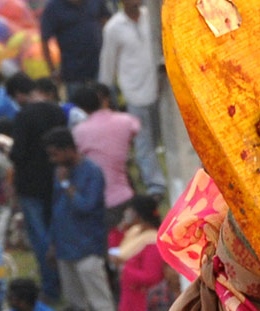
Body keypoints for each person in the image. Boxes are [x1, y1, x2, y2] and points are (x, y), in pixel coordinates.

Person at [42, 126, 117, 311]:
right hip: (65, 249)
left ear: (68, 149)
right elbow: (57, 210)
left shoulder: (91, 172)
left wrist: (67, 184)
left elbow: (86, 206)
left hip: (88, 248)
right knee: (76, 307)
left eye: (55, 154)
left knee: (101, 305)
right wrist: (52, 245)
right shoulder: (59, 173)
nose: (53, 159)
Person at [8, 73, 67, 300]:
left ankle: (50, 286)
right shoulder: (56, 110)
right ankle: (63, 278)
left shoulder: (24, 115)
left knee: (40, 238)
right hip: (53, 181)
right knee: (56, 232)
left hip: (30, 185)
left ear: (20, 94)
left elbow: (18, 152)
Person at [98, 0, 166, 197]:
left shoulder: (151, 18)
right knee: (143, 141)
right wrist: (104, 91)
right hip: (133, 91)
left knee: (158, 138)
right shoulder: (113, 27)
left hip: (158, 86)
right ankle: (156, 186)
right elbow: (108, 60)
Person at [110, 194, 168, 311]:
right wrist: (121, 228)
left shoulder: (152, 241)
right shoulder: (135, 232)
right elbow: (116, 247)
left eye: (131, 210)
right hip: (128, 298)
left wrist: (126, 270)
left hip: (140, 301)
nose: (127, 213)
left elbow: (152, 276)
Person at [71, 85, 139, 225]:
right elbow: (136, 129)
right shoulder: (125, 121)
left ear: (81, 109)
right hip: (125, 194)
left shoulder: (79, 132)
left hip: (98, 200)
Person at [40, 0, 107, 98]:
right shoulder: (53, 7)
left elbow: (105, 19)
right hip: (73, 73)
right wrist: (52, 70)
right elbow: (45, 40)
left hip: (99, 67)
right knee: (78, 109)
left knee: (104, 106)